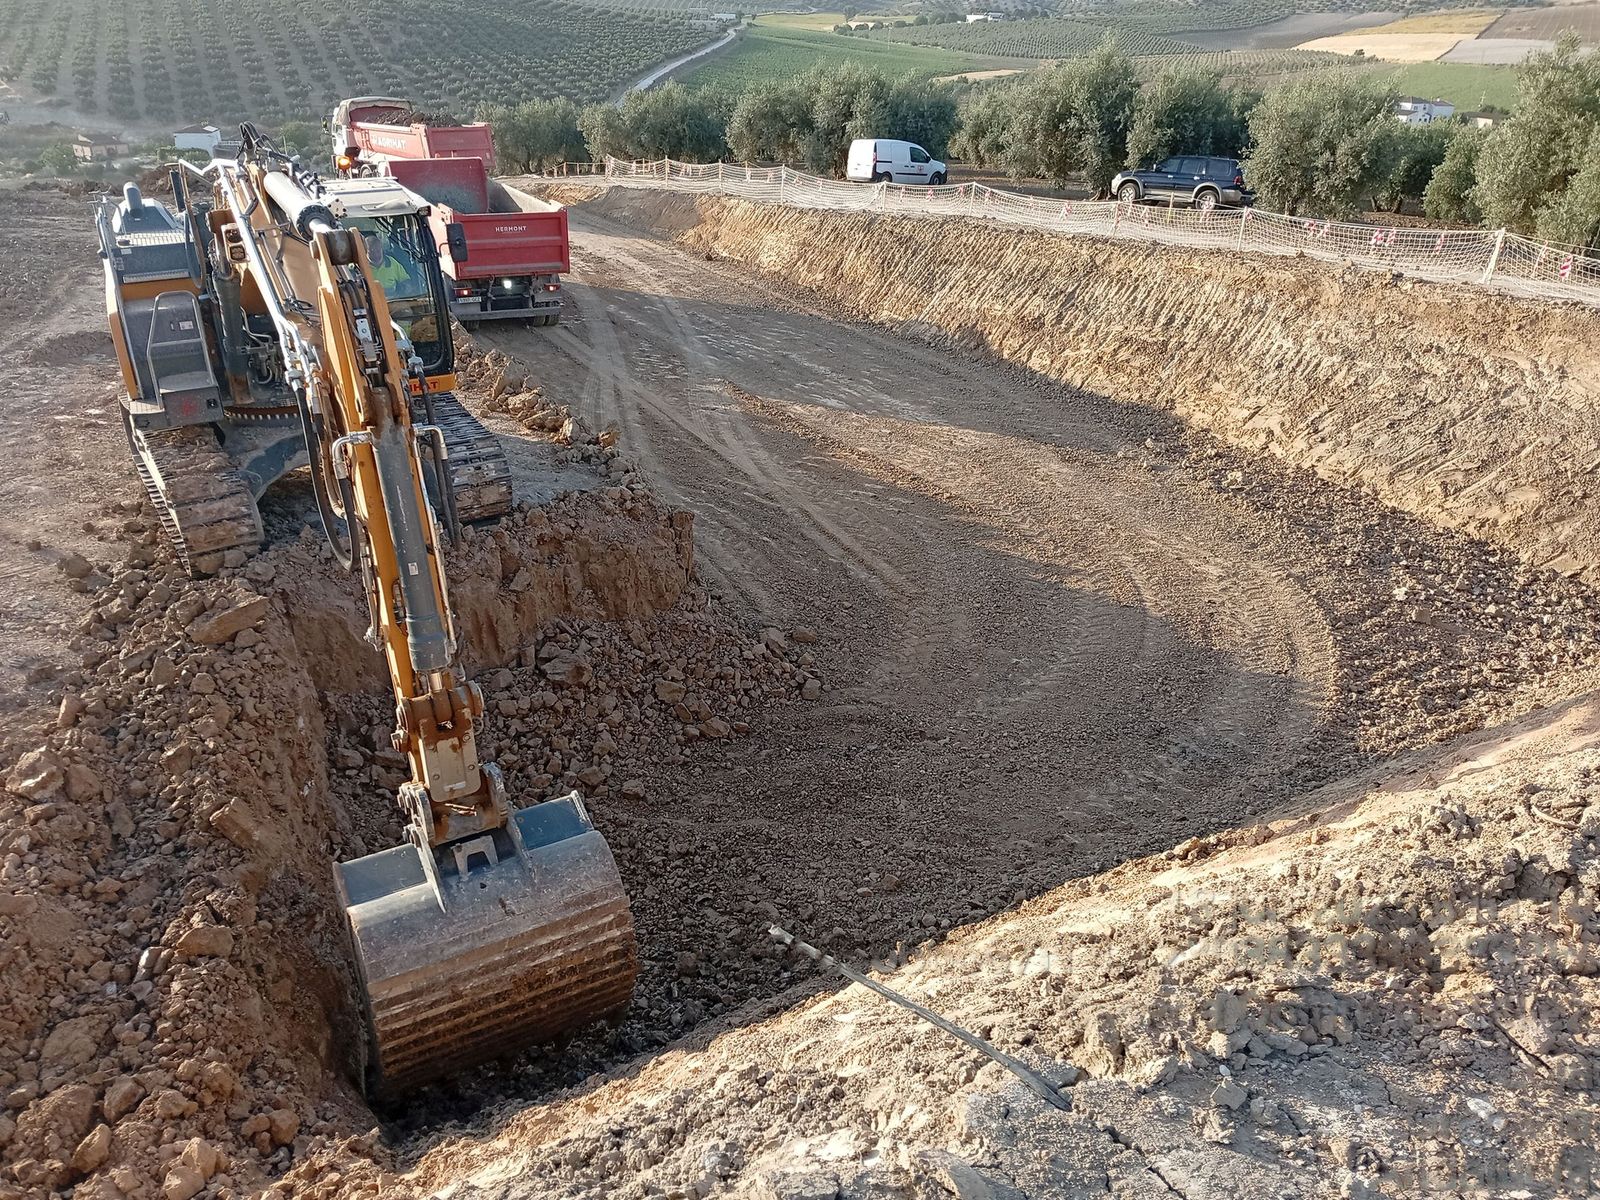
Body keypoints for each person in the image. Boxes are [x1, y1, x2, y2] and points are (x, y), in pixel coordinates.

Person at [363, 231, 420, 297]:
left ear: (382, 249)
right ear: (365, 251)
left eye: (378, 251)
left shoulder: (392, 263)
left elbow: (407, 282)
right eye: (371, 252)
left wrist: (403, 288)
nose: (376, 254)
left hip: (393, 302)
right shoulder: (361, 267)